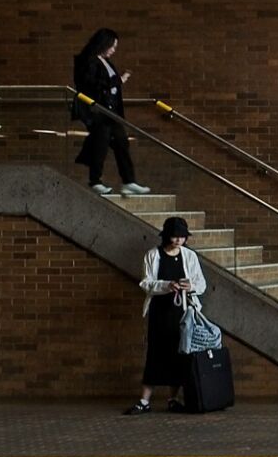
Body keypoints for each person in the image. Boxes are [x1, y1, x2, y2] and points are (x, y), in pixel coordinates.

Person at [126, 215, 205, 414]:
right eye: (175, 236)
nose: (179, 240)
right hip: (159, 312)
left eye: (182, 237)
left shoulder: (189, 256)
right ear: (167, 236)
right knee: (155, 354)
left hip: (182, 313)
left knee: (179, 354)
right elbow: (145, 283)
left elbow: (201, 284)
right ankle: (144, 401)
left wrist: (190, 286)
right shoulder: (153, 255)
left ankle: (173, 399)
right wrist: (167, 285)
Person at [73, 28, 149, 196]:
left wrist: (117, 82)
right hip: (98, 111)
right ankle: (95, 181)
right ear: (103, 44)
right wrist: (118, 80)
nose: (113, 50)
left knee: (122, 141)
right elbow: (92, 84)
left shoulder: (106, 62)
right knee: (100, 144)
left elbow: (109, 84)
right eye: (112, 46)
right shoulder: (89, 61)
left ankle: (129, 181)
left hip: (110, 111)